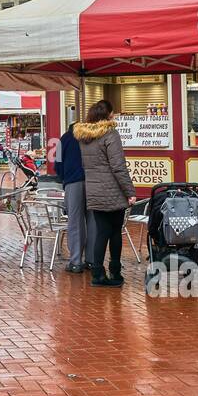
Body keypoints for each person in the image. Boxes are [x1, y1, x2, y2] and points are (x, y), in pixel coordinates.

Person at [74, 99, 136, 288]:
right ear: (108, 115)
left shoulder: (84, 137)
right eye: (113, 113)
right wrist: (130, 191)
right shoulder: (111, 134)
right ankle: (115, 272)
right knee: (115, 232)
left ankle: (97, 274)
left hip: (93, 190)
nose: (114, 115)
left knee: (101, 232)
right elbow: (118, 167)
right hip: (112, 190)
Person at [57, 123, 90, 272]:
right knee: (93, 221)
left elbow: (57, 164)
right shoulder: (89, 138)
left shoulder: (64, 139)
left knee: (75, 221)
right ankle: (92, 260)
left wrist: (64, 177)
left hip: (73, 182)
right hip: (92, 182)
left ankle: (76, 261)